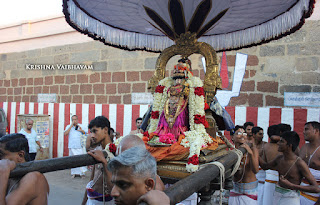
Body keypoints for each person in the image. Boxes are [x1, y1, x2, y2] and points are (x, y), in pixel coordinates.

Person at [260, 131, 320, 205]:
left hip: (291, 199)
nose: (278, 143)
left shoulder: (299, 163)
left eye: (281, 141)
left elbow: (316, 188)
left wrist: (291, 186)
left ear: (289, 146)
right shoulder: (279, 158)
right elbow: (265, 166)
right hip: (277, 195)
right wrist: (254, 153)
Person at [0, 133, 49, 204]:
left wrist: (3, 174)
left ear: (20, 155)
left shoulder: (34, 178)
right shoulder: (11, 176)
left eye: (1, 155)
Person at [82, 116, 114, 205]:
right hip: (91, 199)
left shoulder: (115, 153)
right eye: (91, 132)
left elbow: (113, 188)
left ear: (105, 130)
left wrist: (104, 163)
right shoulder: (98, 151)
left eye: (95, 131)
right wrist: (84, 202)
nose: (92, 135)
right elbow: (91, 179)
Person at [229, 125, 259, 205]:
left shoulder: (253, 150)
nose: (242, 135)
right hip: (235, 190)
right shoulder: (230, 152)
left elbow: (256, 170)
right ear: (232, 137)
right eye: (239, 133)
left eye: (244, 133)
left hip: (249, 193)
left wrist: (250, 153)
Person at [299, 121, 320, 205]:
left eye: (306, 129)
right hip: (299, 194)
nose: (303, 132)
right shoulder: (304, 147)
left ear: (316, 131)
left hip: (314, 198)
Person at [260, 124, 281, 205]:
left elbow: (264, 166)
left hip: (269, 177)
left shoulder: (266, 146)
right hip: (282, 177)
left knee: (268, 201)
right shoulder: (285, 145)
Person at [252, 126, 265, 205]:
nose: (262, 136)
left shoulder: (265, 146)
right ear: (254, 134)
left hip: (262, 181)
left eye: (262, 134)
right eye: (260, 134)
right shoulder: (249, 145)